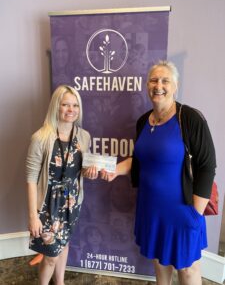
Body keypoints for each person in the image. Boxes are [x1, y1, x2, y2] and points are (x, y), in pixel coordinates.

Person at [100, 60, 216, 285]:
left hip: (184, 210)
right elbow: (141, 159)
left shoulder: (190, 119)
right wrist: (115, 170)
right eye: (153, 80)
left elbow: (207, 165)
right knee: (160, 261)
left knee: (188, 268)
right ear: (147, 86)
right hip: (151, 208)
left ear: (175, 86)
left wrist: (196, 213)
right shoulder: (144, 120)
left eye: (165, 80)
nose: (158, 85)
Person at [26, 85, 97, 285]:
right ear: (56, 107)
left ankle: (60, 282)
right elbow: (31, 178)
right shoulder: (40, 138)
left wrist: (88, 172)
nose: (71, 110)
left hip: (72, 203)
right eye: (65, 104)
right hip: (47, 206)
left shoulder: (83, 137)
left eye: (75, 105)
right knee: (50, 256)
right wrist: (33, 216)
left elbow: (78, 170)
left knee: (63, 245)